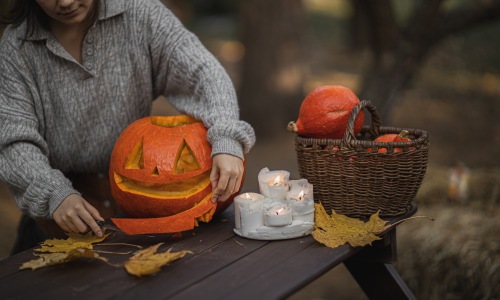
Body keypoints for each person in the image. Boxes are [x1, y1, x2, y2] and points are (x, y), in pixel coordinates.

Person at [0, 0, 255, 251]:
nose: (65, 2)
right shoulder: (15, 48)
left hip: (140, 211)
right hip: (58, 217)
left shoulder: (140, 13)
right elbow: (13, 140)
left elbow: (203, 71)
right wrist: (52, 194)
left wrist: (226, 134)